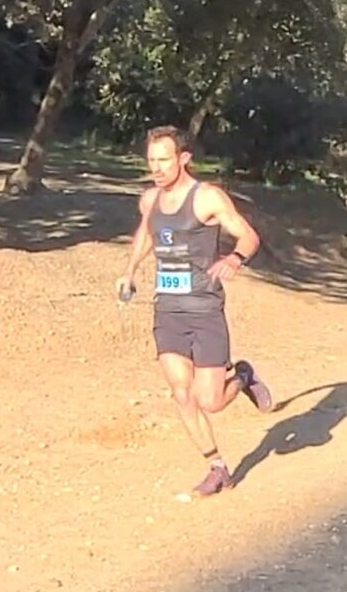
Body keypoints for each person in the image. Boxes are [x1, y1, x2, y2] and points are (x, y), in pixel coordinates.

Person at [117, 124, 272, 497]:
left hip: (204, 309)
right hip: (168, 310)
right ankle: (217, 468)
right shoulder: (150, 200)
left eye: (164, 160)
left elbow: (248, 236)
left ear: (184, 158)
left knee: (210, 401)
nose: (156, 168)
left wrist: (234, 258)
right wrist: (130, 270)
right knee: (181, 392)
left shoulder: (207, 198)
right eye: (151, 160)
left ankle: (243, 375)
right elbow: (147, 234)